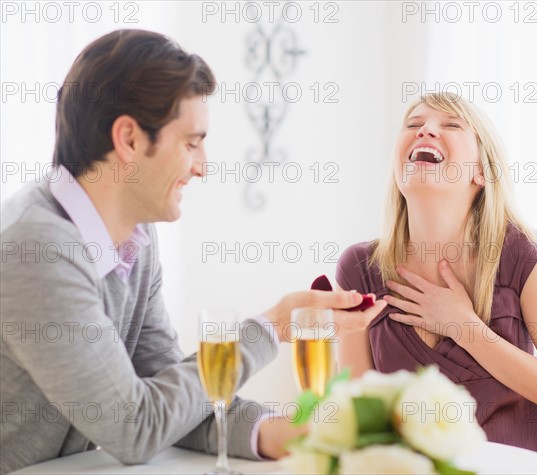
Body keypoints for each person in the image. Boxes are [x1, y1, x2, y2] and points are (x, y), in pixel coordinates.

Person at [0, 29, 387, 475]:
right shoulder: (39, 249)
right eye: (190, 143)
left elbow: (169, 397)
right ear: (128, 138)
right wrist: (270, 327)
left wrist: (271, 432)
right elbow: (136, 426)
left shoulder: (134, 237)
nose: (202, 166)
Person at [335, 92, 537, 458]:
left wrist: (463, 326)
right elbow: (359, 418)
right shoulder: (358, 269)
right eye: (413, 125)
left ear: (481, 172)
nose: (425, 131)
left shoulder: (520, 252)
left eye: (451, 125)